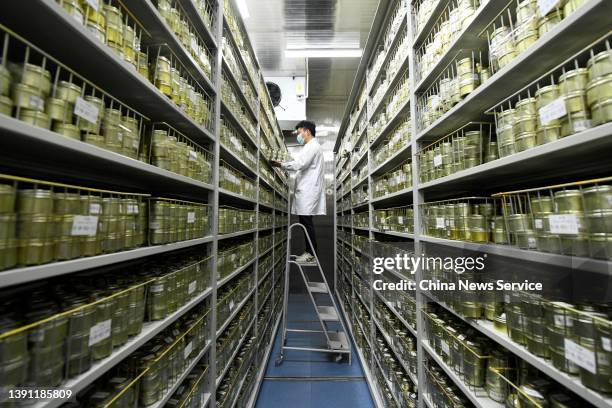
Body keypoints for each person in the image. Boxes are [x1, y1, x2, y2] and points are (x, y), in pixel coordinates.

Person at [271, 120, 326, 263]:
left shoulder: (312, 146)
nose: (298, 135)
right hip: (307, 190)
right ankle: (309, 252)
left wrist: (281, 165)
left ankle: (311, 254)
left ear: (307, 131)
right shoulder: (311, 146)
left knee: (306, 222)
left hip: (308, 190)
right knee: (305, 221)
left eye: (300, 132)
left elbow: (300, 164)